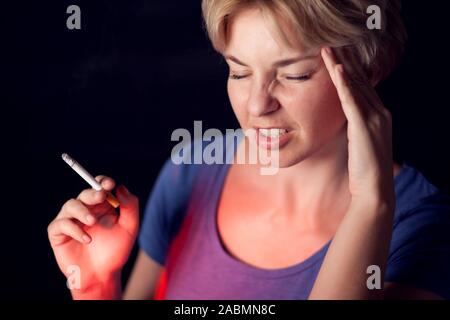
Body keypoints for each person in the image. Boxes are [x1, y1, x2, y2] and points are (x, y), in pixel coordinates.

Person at [48, 0, 450, 299]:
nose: (257, 105)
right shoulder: (190, 172)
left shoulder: (419, 226)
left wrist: (370, 205)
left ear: (369, 69)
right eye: (238, 71)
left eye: (294, 75)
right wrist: (98, 287)